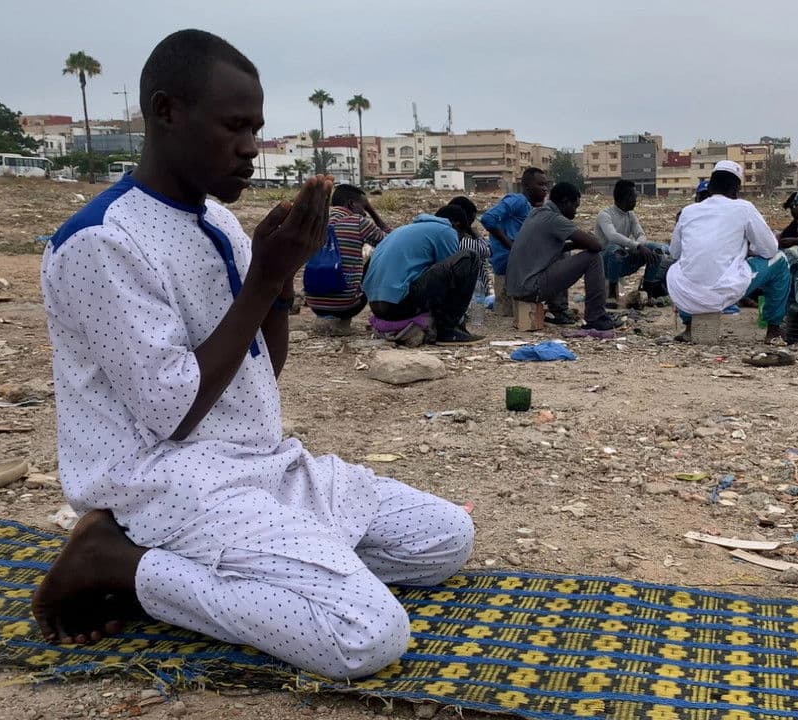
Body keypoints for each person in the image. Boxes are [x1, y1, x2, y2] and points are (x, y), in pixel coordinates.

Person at [33, 29, 474, 681]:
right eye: (234, 127)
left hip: (258, 465)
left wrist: (281, 277)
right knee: (367, 636)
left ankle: (255, 566)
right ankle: (118, 562)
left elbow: (263, 367)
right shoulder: (102, 242)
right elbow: (174, 412)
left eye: (257, 130)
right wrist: (264, 279)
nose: (250, 148)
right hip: (164, 483)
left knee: (444, 540)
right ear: (166, 112)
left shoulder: (220, 224)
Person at [666, 160, 790, 343]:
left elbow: (675, 253)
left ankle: (689, 327)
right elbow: (770, 249)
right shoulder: (744, 208)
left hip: (686, 294)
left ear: (710, 188)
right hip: (724, 291)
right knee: (780, 261)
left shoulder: (688, 211)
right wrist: (749, 250)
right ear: (735, 190)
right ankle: (774, 330)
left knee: (680, 267)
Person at [506, 181, 620, 331]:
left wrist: (575, 244)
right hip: (531, 289)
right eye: (575, 207)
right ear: (565, 202)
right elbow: (597, 246)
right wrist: (586, 240)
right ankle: (596, 317)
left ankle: (558, 310)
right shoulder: (554, 219)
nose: (575, 212)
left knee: (563, 249)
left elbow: (552, 248)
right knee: (593, 258)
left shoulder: (537, 213)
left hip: (518, 287)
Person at [363, 205, 484, 344]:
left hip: (377, 307)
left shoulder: (404, 230)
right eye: (461, 235)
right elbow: (452, 280)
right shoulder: (447, 231)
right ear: (456, 225)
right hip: (399, 306)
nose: (459, 240)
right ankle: (448, 330)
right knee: (469, 258)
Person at [302, 183, 390, 332]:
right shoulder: (358, 222)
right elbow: (392, 243)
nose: (364, 213)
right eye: (363, 207)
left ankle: (326, 313)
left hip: (314, 304)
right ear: (351, 204)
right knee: (376, 258)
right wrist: (373, 213)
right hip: (347, 306)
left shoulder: (316, 221)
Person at [597, 180, 671, 307]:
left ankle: (647, 292)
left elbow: (641, 234)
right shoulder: (604, 215)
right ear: (624, 198)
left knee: (656, 250)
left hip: (623, 259)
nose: (636, 200)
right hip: (605, 263)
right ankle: (612, 295)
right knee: (615, 249)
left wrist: (638, 246)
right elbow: (612, 236)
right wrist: (636, 246)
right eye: (634, 197)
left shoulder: (630, 215)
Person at [480, 167, 549, 278]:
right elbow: (488, 218)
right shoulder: (518, 200)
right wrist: (512, 246)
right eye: (540, 185)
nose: (545, 189)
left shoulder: (529, 206)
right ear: (527, 186)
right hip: (508, 261)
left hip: (517, 261)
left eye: (546, 185)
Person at [448, 195, 491, 292]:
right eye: (470, 222)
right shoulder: (465, 241)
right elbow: (487, 251)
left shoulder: (447, 237)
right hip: (471, 290)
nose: (470, 225)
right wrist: (477, 235)